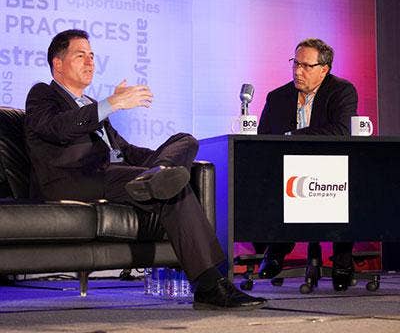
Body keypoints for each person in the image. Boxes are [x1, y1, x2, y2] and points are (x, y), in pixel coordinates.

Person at [24, 29, 266, 310]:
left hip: (112, 174)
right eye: (81, 56)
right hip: (74, 178)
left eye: (92, 55)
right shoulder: (43, 94)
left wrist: (160, 159)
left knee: (184, 142)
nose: (90, 62)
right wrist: (111, 103)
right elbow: (57, 128)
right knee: (171, 184)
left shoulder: (91, 105)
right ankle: (211, 285)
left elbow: (124, 150)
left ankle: (158, 173)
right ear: (58, 63)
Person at [257, 38, 358, 291]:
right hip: (286, 169)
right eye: (295, 63)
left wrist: (293, 136)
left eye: (306, 66)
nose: (297, 71)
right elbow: (263, 138)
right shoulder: (277, 97)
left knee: (350, 181)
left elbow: (341, 130)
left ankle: (343, 259)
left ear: (324, 70)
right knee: (259, 177)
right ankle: (277, 247)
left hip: (331, 167)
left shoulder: (342, 91)